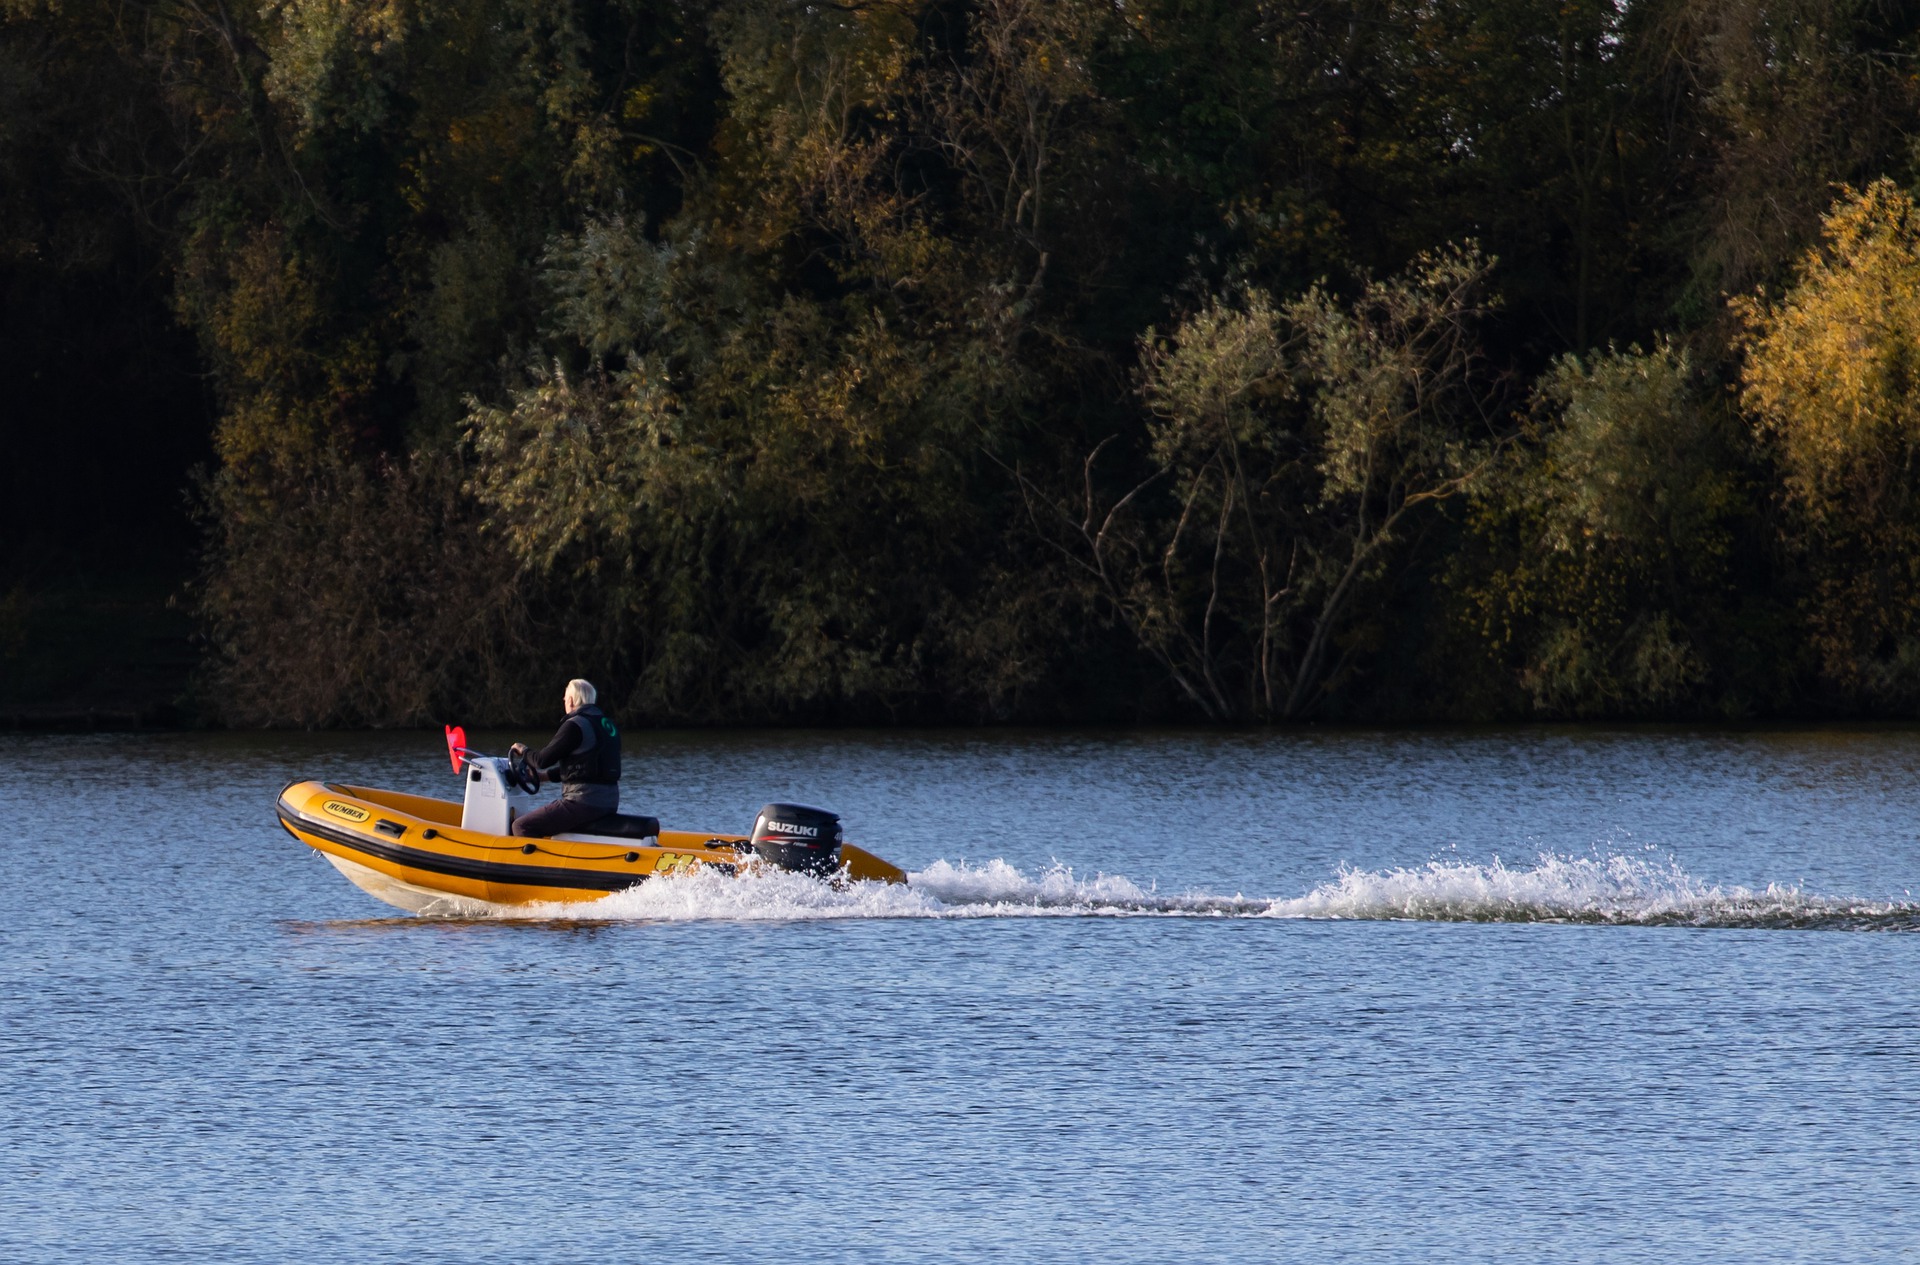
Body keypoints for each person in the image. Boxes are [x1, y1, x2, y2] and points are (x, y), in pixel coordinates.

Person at [509, 679, 622, 838]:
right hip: (609, 802)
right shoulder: (606, 725)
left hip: (583, 802)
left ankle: (536, 863)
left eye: (564, 698)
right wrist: (543, 777)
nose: (564, 701)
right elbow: (586, 766)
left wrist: (523, 750)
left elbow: (541, 760)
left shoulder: (575, 725)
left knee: (521, 826)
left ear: (570, 700)